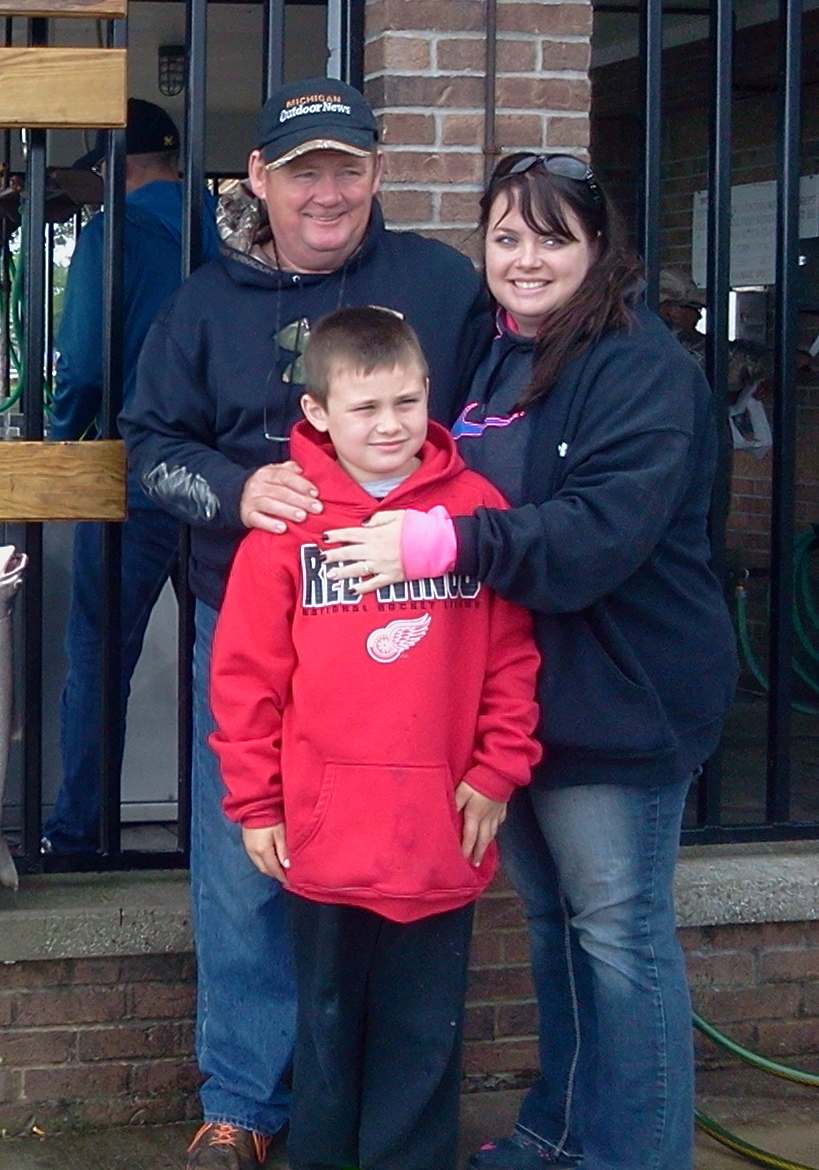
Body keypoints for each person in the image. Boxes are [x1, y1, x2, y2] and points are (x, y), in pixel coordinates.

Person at [320, 153, 737, 1170]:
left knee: (619, 943)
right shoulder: (507, 357)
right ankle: (557, 1136)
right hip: (527, 709)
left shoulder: (642, 371)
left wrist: (444, 547)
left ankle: (635, 1155)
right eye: (507, 237)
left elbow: (595, 536)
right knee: (556, 933)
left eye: (553, 237)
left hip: (619, 703)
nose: (525, 259)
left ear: (599, 250)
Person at [120, 77, 490, 1169]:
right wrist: (234, 492)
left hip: (423, 635)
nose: (327, 193)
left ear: (376, 173)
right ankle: (243, 1101)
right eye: (303, 171)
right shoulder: (199, 303)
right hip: (257, 631)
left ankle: (371, 1115)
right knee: (248, 860)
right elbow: (148, 453)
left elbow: (490, 430)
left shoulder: (441, 283)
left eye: (347, 168)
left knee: (402, 870)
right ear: (261, 183)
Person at [211, 306, 541, 1170]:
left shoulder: (475, 513)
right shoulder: (290, 524)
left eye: (406, 401)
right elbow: (247, 681)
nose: (389, 425)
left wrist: (500, 772)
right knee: (325, 1030)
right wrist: (256, 804)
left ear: (430, 393)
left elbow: (512, 658)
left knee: (423, 1038)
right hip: (325, 832)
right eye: (365, 408)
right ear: (318, 412)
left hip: (439, 823)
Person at [43, 97, 195, 854]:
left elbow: (83, 364)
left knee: (100, 660)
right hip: (224, 478)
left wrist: (60, 449)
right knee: (227, 656)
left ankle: (80, 835)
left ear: (117, 169)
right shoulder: (217, 235)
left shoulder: (115, 234)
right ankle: (216, 828)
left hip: (132, 471)